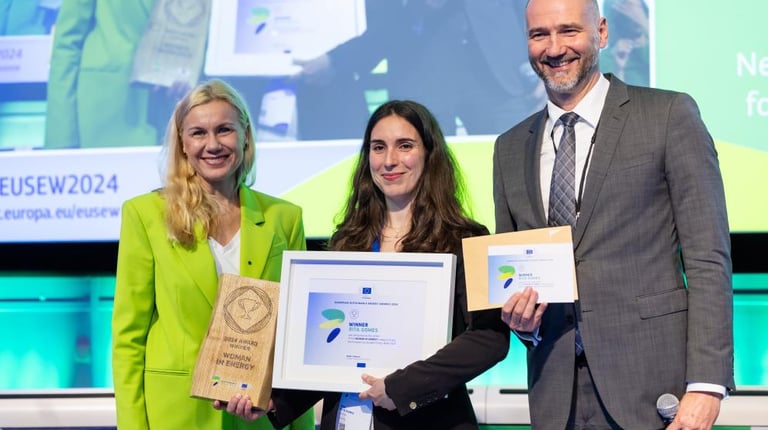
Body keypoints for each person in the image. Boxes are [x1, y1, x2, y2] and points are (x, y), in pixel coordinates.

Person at [493, 0, 734, 428]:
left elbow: (708, 259)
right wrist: (521, 322)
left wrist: (706, 384)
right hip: (555, 397)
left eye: (569, 31)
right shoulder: (510, 148)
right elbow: (517, 274)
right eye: (538, 35)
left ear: (601, 33)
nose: (553, 48)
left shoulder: (668, 116)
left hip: (655, 391)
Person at [221, 99, 511, 429]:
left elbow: (489, 339)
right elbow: (327, 348)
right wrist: (275, 400)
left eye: (405, 146)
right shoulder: (348, 240)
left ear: (430, 154)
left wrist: (402, 387)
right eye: (378, 147)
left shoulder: (465, 239)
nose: (389, 160)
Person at [111, 79, 314, 430]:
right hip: (174, 415)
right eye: (198, 133)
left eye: (224, 130)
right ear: (183, 144)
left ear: (245, 136)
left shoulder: (286, 217)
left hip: (257, 417)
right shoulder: (144, 215)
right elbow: (128, 339)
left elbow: (295, 336)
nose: (213, 144)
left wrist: (299, 423)